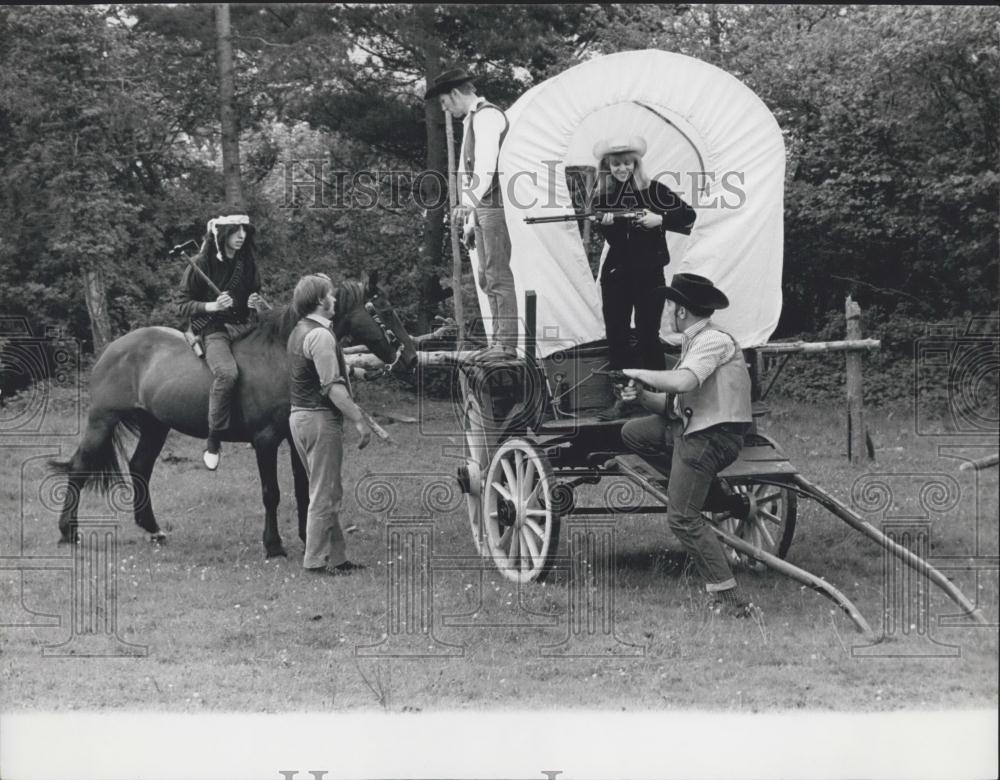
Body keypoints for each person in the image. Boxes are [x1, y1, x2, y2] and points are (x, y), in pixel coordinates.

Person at [619, 273, 756, 618]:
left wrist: (641, 372)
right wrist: (640, 395)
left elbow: (684, 381)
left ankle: (729, 598)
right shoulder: (695, 341)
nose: (665, 311)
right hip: (693, 430)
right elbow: (673, 406)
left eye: (668, 304)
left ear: (681, 310)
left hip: (712, 437)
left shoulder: (712, 340)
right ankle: (704, 490)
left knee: (681, 518)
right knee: (634, 433)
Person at [591, 136, 696, 420]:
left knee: (649, 334)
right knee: (618, 335)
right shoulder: (603, 197)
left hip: (649, 272)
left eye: (627, 163)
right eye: (616, 164)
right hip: (617, 274)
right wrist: (606, 225)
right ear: (607, 166)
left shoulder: (655, 191)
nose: (622, 168)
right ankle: (624, 399)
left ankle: (659, 399)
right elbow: (614, 238)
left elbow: (689, 216)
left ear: (636, 163)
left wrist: (658, 219)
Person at [425, 67, 517, 360]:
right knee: (486, 276)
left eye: (444, 102)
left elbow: (486, 164)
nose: (445, 109)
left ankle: (506, 344)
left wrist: (469, 203)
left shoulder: (488, 115)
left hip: (493, 203)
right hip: (482, 207)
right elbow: (470, 171)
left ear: (454, 93)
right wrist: (469, 221)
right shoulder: (473, 119)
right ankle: (498, 341)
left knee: (497, 274)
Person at [286, 273, 372, 576]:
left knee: (326, 489)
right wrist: (359, 420)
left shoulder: (300, 330)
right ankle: (313, 561)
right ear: (320, 301)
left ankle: (337, 558)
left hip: (300, 416)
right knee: (324, 492)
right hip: (319, 419)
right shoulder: (321, 335)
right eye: (330, 294)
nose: (334, 299)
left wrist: (356, 373)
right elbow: (332, 387)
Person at [177, 213, 266, 470]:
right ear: (222, 233)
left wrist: (255, 303)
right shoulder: (200, 263)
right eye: (236, 230)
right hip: (212, 329)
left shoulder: (247, 262)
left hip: (245, 326)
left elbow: (255, 293)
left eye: (244, 231)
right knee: (227, 374)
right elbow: (182, 305)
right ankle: (213, 439)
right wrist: (212, 305)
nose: (242, 236)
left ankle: (256, 425)